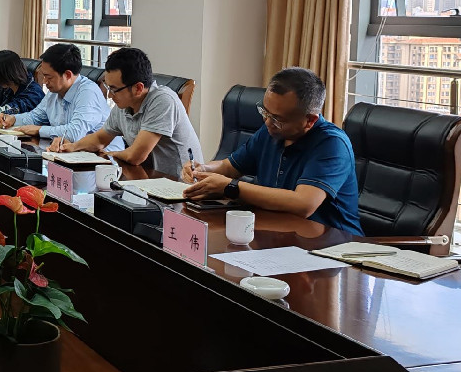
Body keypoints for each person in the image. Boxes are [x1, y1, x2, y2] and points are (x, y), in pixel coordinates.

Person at [182, 67, 363, 235]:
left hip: (332, 243)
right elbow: (229, 167)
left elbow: (304, 204)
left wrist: (231, 187)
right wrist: (203, 169)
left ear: (310, 120)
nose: (267, 122)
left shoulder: (332, 143)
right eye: (265, 112)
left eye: (277, 119)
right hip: (277, 233)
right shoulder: (271, 132)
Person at [48, 47, 202, 177]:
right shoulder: (124, 105)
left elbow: (135, 156)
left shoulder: (163, 100)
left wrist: (108, 155)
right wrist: (72, 147)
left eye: (114, 89)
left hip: (179, 186)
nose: (110, 95)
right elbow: (100, 138)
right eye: (108, 87)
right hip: (145, 180)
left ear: (138, 88)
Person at [0, 43, 117, 144]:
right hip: (70, 154)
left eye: (49, 77)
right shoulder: (55, 91)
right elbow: (35, 117)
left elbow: (74, 133)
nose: (45, 82)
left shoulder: (88, 92)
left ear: (67, 75)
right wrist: (13, 119)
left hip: (104, 159)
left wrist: (39, 130)